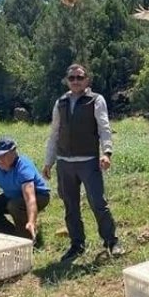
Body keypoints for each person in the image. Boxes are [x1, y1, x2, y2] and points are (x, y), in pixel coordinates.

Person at [42, 63, 124, 262]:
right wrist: (48, 162)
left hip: (88, 161)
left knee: (98, 203)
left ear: (87, 80)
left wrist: (107, 152)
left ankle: (111, 242)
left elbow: (104, 128)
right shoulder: (60, 102)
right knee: (70, 206)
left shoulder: (96, 100)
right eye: (72, 78)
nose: (76, 81)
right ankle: (77, 245)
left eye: (80, 77)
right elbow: (54, 133)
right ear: (67, 81)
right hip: (64, 163)